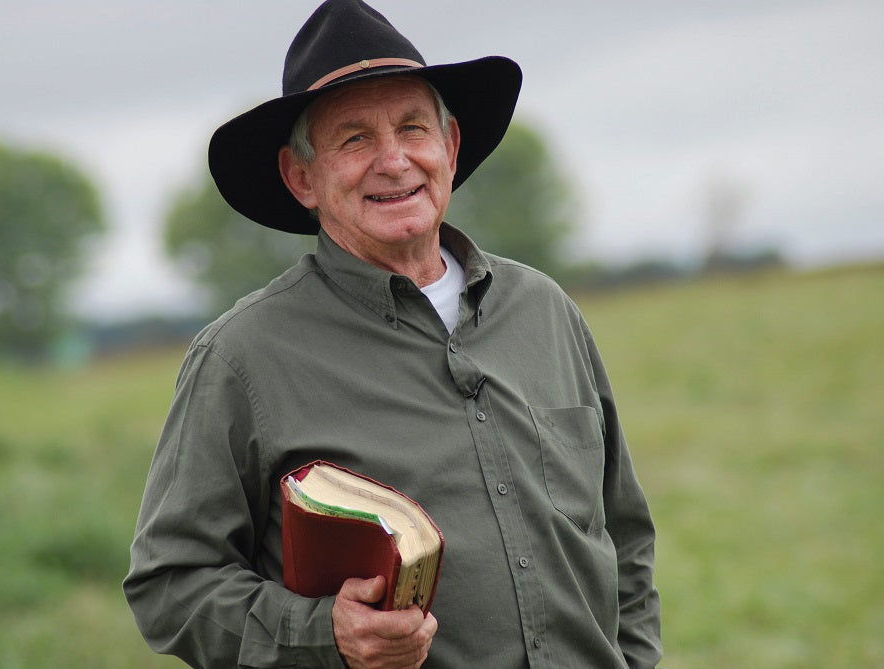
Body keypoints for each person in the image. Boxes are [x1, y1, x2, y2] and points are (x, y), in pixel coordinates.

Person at [123, 1, 663, 667]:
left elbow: (625, 536)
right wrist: (326, 633)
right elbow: (169, 585)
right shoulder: (240, 357)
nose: (394, 161)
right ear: (302, 178)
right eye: (354, 140)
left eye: (414, 128)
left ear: (451, 146)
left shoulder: (546, 311)